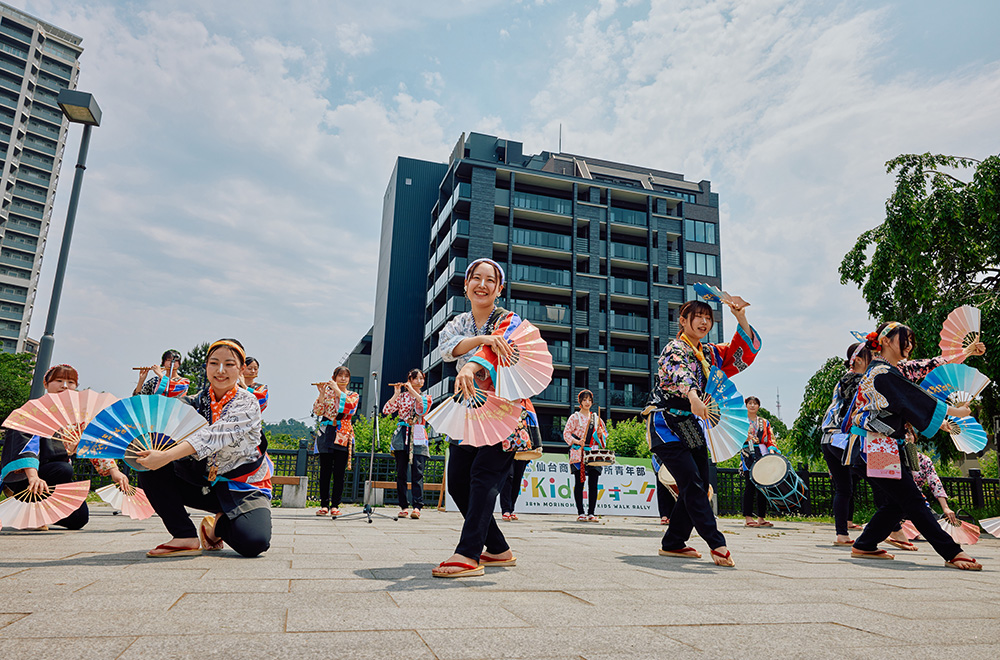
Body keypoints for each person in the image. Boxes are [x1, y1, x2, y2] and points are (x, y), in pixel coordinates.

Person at [432, 257, 539, 577]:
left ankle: (467, 553)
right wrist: (482, 339)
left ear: (499, 288)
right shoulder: (458, 323)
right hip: (469, 409)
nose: (482, 285)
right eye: (476, 278)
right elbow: (447, 348)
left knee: (483, 477)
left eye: (490, 280)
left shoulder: (509, 320)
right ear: (466, 286)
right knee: (458, 482)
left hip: (504, 411)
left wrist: (470, 365)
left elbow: (497, 348)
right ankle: (498, 548)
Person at [846, 322, 981, 570]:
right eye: (904, 339)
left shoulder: (890, 370)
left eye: (911, 340)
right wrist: (955, 411)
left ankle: (865, 544)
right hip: (875, 446)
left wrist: (966, 352)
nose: (909, 345)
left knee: (896, 502)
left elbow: (931, 368)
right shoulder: (883, 373)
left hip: (880, 445)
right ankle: (952, 552)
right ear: (886, 340)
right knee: (912, 499)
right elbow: (914, 398)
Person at [645, 298, 761, 567]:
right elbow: (680, 374)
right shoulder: (675, 348)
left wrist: (740, 317)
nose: (704, 321)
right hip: (665, 421)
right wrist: (694, 397)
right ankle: (717, 544)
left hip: (690, 423)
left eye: (708, 317)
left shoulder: (709, 353)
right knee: (692, 483)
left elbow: (739, 355)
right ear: (683, 321)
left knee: (701, 486)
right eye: (697, 316)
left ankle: (673, 542)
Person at [135, 338, 272, 558]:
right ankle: (184, 535)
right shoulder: (193, 402)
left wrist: (166, 456)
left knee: (254, 543)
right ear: (206, 366)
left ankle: (215, 528)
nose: (221, 370)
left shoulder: (248, 403)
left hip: (243, 487)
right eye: (214, 363)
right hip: (202, 482)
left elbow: (211, 437)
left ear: (241, 369)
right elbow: (159, 419)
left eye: (229, 364)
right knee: (147, 464)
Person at [1, 364, 128, 530]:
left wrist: (114, 471)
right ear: (46, 384)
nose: (65, 386)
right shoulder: (33, 411)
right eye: (59, 380)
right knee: (63, 469)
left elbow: (93, 444)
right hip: (27, 476)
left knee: (79, 519)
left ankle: (34, 513)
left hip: (55, 478)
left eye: (71, 382)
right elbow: (26, 444)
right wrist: (33, 476)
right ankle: (22, 497)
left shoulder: (78, 417)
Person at [819, 342, 869, 546]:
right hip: (842, 438)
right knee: (879, 480)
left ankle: (842, 534)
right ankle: (892, 528)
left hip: (828, 438)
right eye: (871, 356)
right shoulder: (854, 379)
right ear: (859, 360)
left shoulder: (844, 379)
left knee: (844, 488)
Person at [383, 368, 432, 519]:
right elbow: (386, 410)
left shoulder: (425, 397)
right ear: (409, 380)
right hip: (401, 434)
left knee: (418, 472)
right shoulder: (402, 397)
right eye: (415, 378)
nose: (419, 381)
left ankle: (417, 506)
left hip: (418, 433)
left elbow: (423, 410)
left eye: (421, 378)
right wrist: (396, 394)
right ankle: (403, 506)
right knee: (401, 473)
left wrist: (413, 391)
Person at [312, 366, 359, 517]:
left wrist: (337, 390)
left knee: (339, 472)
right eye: (340, 376)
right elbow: (318, 411)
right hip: (326, 432)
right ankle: (324, 505)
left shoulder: (353, 395)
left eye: (346, 376)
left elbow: (350, 408)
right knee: (325, 471)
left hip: (343, 432)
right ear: (334, 377)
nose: (343, 379)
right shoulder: (327, 393)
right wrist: (321, 394)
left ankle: (335, 505)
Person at [562, 389, 607, 522]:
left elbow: (604, 437)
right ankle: (581, 512)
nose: (587, 402)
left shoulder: (597, 419)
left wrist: (600, 434)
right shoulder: (574, 417)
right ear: (580, 402)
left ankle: (591, 513)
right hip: (579, 452)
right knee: (579, 482)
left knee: (593, 483)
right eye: (584, 400)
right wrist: (577, 441)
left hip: (593, 452)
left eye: (589, 400)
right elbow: (566, 433)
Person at [741, 396, 776, 528]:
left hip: (762, 452)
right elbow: (735, 437)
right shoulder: (741, 421)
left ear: (758, 406)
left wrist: (772, 450)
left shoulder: (764, 422)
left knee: (763, 485)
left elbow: (770, 438)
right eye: (750, 403)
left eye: (755, 403)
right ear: (746, 405)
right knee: (750, 484)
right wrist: (744, 438)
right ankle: (748, 517)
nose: (752, 405)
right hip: (747, 452)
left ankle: (761, 517)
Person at [499, 457, 529, 521]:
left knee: (517, 480)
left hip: (522, 454)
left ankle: (511, 509)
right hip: (508, 453)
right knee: (508, 477)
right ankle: (506, 510)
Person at [650, 453, 675, 525]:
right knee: (662, 488)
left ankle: (673, 515)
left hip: (675, 457)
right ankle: (664, 515)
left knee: (674, 488)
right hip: (660, 458)